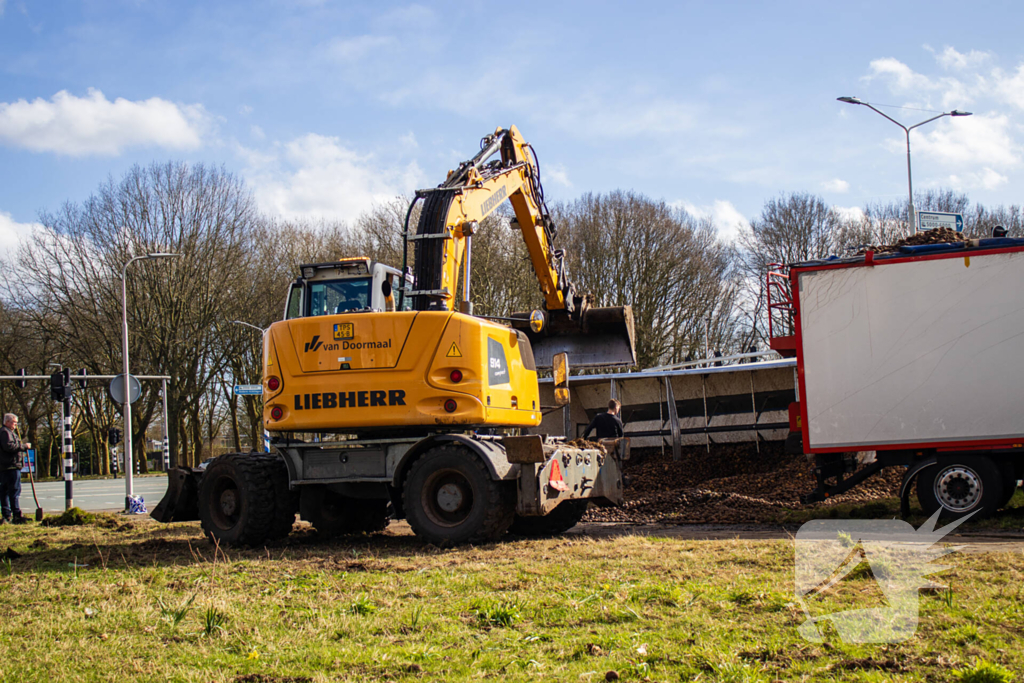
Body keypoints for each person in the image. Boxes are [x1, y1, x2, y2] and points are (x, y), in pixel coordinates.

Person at [0, 413, 31, 524]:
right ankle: (15, 515)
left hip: (8, 466)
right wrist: (24, 446)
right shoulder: (5, 432)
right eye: (14, 422)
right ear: (7, 422)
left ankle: (7, 514)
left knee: (6, 491)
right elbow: (9, 446)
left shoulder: (8, 432)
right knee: (13, 490)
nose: (16, 425)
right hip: (10, 466)